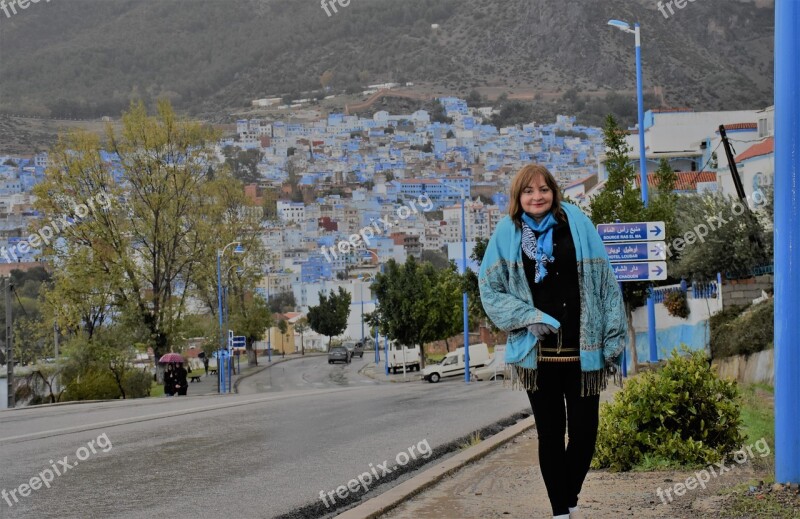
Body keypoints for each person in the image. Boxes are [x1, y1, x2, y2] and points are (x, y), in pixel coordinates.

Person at [478, 164, 627, 519]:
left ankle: (569, 496)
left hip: (583, 350)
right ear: (518, 197)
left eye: (543, 189)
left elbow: (605, 280)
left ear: (554, 192)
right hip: (538, 355)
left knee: (585, 433)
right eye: (528, 191)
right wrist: (528, 317)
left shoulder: (576, 223)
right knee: (550, 434)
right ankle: (561, 512)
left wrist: (612, 337)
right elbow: (490, 289)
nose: (537, 197)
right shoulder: (506, 232)